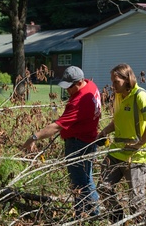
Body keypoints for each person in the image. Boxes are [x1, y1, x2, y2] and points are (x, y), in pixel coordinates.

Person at [21, 65, 101, 217]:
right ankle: (93, 214)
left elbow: (57, 127)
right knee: (87, 179)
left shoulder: (79, 102)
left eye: (69, 87)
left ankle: (85, 217)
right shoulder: (91, 86)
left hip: (78, 143)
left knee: (79, 182)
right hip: (90, 139)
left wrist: (34, 137)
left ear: (79, 83)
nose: (67, 91)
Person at [98, 64, 146, 225]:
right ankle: (118, 220)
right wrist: (104, 131)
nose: (113, 85)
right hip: (116, 153)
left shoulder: (140, 95)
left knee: (136, 199)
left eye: (116, 81)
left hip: (136, 156)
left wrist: (139, 144)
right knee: (103, 188)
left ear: (127, 80)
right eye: (112, 81)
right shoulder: (118, 96)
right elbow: (117, 121)